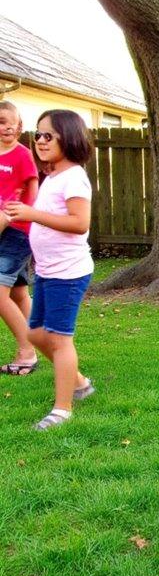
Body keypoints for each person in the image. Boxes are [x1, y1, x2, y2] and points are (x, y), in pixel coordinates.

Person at [6, 110, 95, 430]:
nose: (40, 141)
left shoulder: (74, 177)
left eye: (48, 136)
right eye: (38, 134)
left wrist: (31, 214)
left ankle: (62, 409)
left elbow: (79, 223)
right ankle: (80, 382)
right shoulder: (53, 176)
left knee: (59, 340)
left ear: (68, 138)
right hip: (48, 270)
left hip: (68, 273)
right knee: (34, 333)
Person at [0, 100, 39, 375]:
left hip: (17, 231)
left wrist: (25, 215)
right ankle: (45, 339)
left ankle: (27, 351)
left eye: (7, 122)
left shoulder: (22, 155)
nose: (3, 127)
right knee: (18, 292)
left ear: (19, 126)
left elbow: (32, 191)